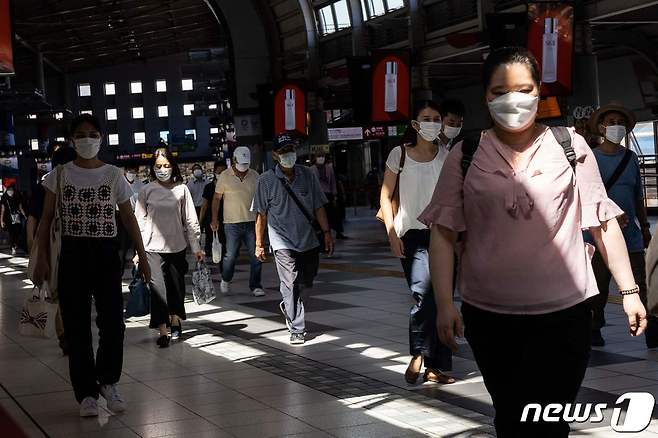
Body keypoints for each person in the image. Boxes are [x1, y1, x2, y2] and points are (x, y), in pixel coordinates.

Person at [420, 47, 647, 438]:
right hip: (489, 315)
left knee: (550, 419)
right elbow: (442, 232)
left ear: (539, 92)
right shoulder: (466, 153)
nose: (512, 100)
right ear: (485, 97)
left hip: (565, 313)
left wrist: (629, 290)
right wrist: (443, 303)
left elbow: (602, 223)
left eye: (523, 89)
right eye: (499, 91)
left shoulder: (570, 146)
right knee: (511, 415)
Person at [32, 114, 151, 417]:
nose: (87, 139)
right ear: (72, 140)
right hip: (72, 253)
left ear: (101, 138)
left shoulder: (113, 175)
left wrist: (143, 255)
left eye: (93, 134)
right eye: (81, 134)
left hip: (106, 253)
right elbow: (45, 220)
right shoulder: (58, 175)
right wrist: (42, 257)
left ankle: (108, 382)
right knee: (77, 326)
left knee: (113, 321)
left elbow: (128, 217)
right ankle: (86, 392)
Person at [380, 100, 454, 386]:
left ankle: (436, 366)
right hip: (412, 234)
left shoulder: (446, 154)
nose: (433, 123)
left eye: (437, 118)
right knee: (423, 294)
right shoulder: (399, 155)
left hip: (444, 235)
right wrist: (391, 234)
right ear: (415, 124)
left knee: (442, 298)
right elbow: (385, 197)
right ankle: (419, 353)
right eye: (427, 118)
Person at [585, 102, 658, 348]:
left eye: (621, 122)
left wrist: (645, 226)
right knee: (600, 286)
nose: (616, 126)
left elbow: (638, 195)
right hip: (600, 234)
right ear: (601, 128)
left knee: (642, 283)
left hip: (632, 235)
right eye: (611, 122)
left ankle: (652, 330)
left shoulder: (631, 158)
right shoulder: (590, 159)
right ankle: (594, 327)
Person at [252, 133, 334, 345]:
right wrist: (259, 244)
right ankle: (297, 328)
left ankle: (289, 305)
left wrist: (327, 233)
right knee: (290, 284)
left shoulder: (307, 174)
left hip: (308, 240)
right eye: (283, 151)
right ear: (275, 155)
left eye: (291, 150)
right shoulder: (266, 180)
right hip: (281, 241)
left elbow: (318, 206)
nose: (288, 155)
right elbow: (261, 214)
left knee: (306, 281)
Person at [135, 148, 203, 348]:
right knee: (158, 289)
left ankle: (175, 319)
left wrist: (196, 246)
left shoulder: (182, 189)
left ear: (173, 167)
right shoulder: (146, 191)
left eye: (166, 166)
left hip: (177, 246)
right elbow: (139, 222)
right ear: (152, 168)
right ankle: (162, 330)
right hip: (151, 248)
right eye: (158, 166)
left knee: (176, 287)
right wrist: (139, 252)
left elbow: (190, 220)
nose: (163, 169)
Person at [26, 144, 77, 356]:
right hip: (54, 246)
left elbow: (32, 220)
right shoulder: (46, 186)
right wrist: (35, 249)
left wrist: (33, 246)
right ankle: (64, 336)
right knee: (58, 295)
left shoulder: (73, 184)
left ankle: (66, 335)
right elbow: (35, 218)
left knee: (64, 295)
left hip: (62, 246)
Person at [211, 147, 264, 297]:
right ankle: (226, 278)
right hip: (231, 223)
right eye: (241, 165)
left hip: (252, 222)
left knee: (256, 255)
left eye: (246, 165)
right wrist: (214, 218)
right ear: (234, 161)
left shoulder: (255, 176)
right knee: (230, 255)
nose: (243, 169)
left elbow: (261, 198)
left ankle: (256, 285)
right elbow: (216, 199)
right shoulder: (224, 176)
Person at [310, 153, 346, 239]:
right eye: (318, 156)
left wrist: (335, 195)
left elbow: (333, 182)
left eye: (322, 156)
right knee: (320, 214)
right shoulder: (311, 169)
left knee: (333, 214)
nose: (320, 158)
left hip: (328, 194)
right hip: (317, 195)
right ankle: (321, 232)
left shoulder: (329, 168)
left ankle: (338, 232)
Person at [118, 163, 146, 269]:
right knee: (123, 245)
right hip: (121, 216)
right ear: (125, 171)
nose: (131, 173)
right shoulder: (119, 182)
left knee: (136, 242)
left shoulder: (140, 185)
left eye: (134, 171)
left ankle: (137, 268)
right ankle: (120, 267)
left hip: (135, 215)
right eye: (130, 171)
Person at [200, 161, 227, 263]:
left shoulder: (230, 187)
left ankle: (224, 269)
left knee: (226, 247)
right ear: (214, 172)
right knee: (211, 246)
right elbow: (204, 206)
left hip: (227, 220)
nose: (221, 174)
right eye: (219, 172)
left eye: (224, 172)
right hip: (211, 221)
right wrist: (200, 222)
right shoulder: (209, 187)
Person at [1, 183, 26, 255]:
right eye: (9, 190)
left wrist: (24, 215)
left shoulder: (17, 198)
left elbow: (20, 208)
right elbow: (3, 210)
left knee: (17, 232)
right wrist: (1, 220)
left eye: (12, 190)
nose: (10, 191)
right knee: (12, 233)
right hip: (8, 219)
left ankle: (15, 245)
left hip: (16, 218)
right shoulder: (4, 199)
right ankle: (13, 247)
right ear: (7, 191)